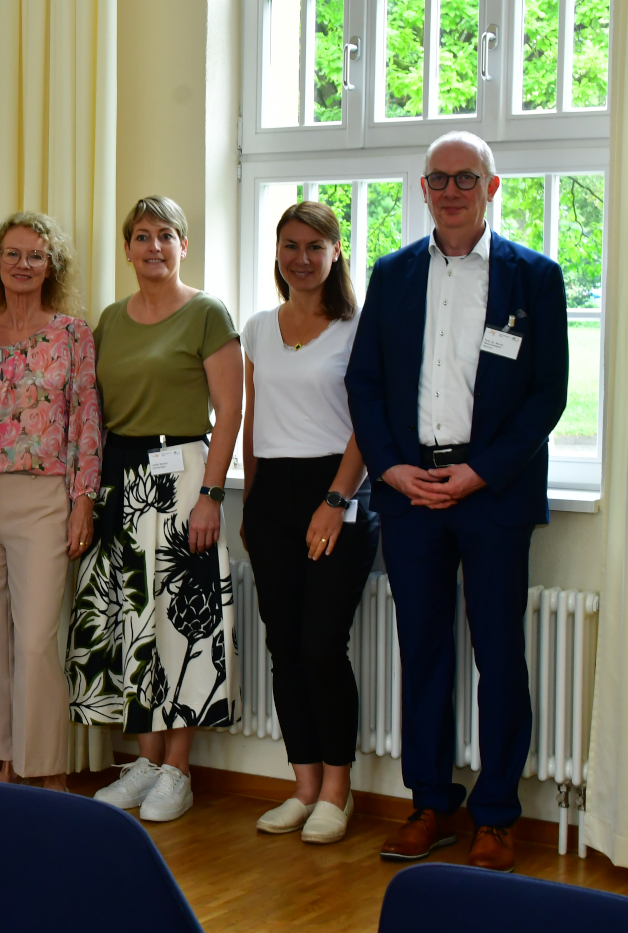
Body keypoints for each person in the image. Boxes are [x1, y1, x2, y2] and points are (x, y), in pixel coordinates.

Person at [346, 131, 569, 872]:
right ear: (422, 187)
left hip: (491, 494)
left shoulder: (535, 277)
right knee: (424, 650)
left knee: (500, 652)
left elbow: (547, 397)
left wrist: (481, 471)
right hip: (410, 493)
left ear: (492, 186)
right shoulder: (393, 272)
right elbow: (366, 384)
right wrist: (392, 469)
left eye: (464, 177)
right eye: (438, 178)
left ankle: (497, 814)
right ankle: (431, 801)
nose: (450, 190)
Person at [66, 196, 242, 822]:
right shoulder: (110, 320)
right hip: (120, 480)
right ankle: (143, 763)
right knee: (131, 623)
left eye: (165, 236)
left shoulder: (207, 314)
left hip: (183, 479)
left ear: (183, 245)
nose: (154, 248)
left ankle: (178, 770)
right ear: (128, 249)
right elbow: (92, 413)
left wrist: (211, 496)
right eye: (141, 237)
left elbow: (229, 416)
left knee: (183, 625)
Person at [240, 201, 380, 845]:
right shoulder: (260, 327)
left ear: (336, 253)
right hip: (272, 493)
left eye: (314, 247)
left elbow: (366, 428)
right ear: (277, 253)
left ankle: (336, 789)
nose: (301, 258)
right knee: (283, 645)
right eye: (290, 246)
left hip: (337, 490)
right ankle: (302, 785)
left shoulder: (358, 329)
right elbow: (252, 419)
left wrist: (335, 498)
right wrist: (250, 498)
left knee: (321, 646)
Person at [0, 211, 100, 792]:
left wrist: (83, 501)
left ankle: (49, 767)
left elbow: (86, 418)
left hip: (45, 495)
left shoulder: (73, 333)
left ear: (51, 266)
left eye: (35, 255)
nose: (22, 264)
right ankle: (4, 760)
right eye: (12, 254)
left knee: (37, 636)